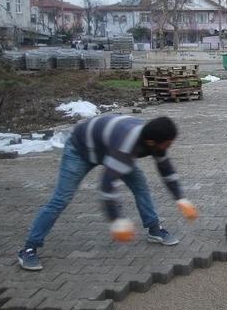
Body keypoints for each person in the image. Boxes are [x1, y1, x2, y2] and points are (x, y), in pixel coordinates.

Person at [17, 115, 198, 271]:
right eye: (168, 143)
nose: (170, 146)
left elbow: (165, 169)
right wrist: (117, 220)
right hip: (81, 150)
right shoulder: (127, 145)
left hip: (108, 146)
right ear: (151, 142)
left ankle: (154, 229)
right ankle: (29, 248)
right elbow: (107, 187)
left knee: (140, 185)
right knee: (61, 199)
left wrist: (180, 198)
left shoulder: (154, 138)